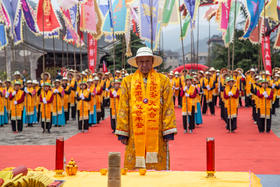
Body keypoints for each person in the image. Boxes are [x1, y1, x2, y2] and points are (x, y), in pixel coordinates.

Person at [115, 47, 177, 170]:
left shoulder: (163, 81)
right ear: (137, 63)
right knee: (135, 166)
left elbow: (168, 106)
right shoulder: (127, 81)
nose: (144, 65)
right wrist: (123, 131)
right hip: (134, 129)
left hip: (157, 130)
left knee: (157, 168)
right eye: (141, 62)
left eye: (147, 61)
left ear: (152, 62)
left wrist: (168, 129)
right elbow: (123, 107)